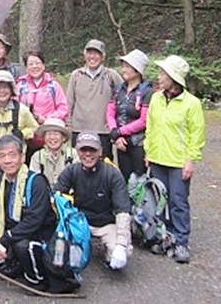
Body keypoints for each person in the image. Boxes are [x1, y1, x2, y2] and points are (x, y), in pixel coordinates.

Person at [0, 135, 60, 293]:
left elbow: (35, 220)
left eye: (12, 155)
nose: (7, 161)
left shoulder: (36, 182)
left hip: (37, 234)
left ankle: (37, 278)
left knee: (22, 245)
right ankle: (8, 263)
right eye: (2, 156)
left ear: (22, 157)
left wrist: (4, 241)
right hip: (12, 231)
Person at [144, 55, 206, 264]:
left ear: (173, 77)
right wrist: (148, 151)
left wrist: (191, 160)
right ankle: (164, 237)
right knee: (160, 202)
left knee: (178, 202)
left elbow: (197, 134)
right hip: (157, 159)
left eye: (163, 73)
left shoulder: (191, 103)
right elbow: (151, 127)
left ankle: (181, 242)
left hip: (178, 162)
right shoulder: (156, 98)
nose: (159, 77)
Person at [54, 130, 132, 270]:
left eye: (92, 150)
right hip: (79, 222)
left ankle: (110, 250)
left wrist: (121, 244)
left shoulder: (112, 174)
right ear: (77, 151)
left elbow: (123, 211)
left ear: (100, 151)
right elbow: (56, 197)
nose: (88, 154)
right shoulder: (71, 171)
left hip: (105, 224)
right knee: (62, 257)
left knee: (123, 253)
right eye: (83, 150)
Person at [66, 39, 122, 159]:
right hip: (79, 129)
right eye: (89, 53)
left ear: (103, 57)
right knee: (79, 162)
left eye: (96, 53)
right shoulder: (76, 75)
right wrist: (68, 123)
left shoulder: (111, 75)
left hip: (103, 130)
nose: (92, 57)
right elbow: (69, 101)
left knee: (104, 163)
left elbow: (123, 98)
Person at [107, 49, 153, 181]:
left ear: (137, 70)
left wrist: (120, 131)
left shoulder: (147, 92)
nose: (123, 70)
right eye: (123, 66)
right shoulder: (118, 90)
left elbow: (144, 120)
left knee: (139, 181)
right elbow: (110, 113)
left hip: (138, 144)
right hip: (121, 143)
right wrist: (115, 134)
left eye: (127, 67)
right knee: (124, 179)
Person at [16, 50, 69, 160]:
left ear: (44, 65)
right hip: (27, 137)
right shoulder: (20, 87)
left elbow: (63, 108)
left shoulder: (53, 86)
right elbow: (15, 109)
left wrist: (46, 120)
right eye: (31, 64)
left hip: (50, 136)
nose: (34, 66)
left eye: (37, 63)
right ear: (26, 68)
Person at [28, 118, 78, 186]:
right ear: (44, 138)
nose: (52, 137)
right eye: (48, 134)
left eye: (56, 134)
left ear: (63, 138)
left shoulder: (74, 154)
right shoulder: (37, 156)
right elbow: (33, 181)